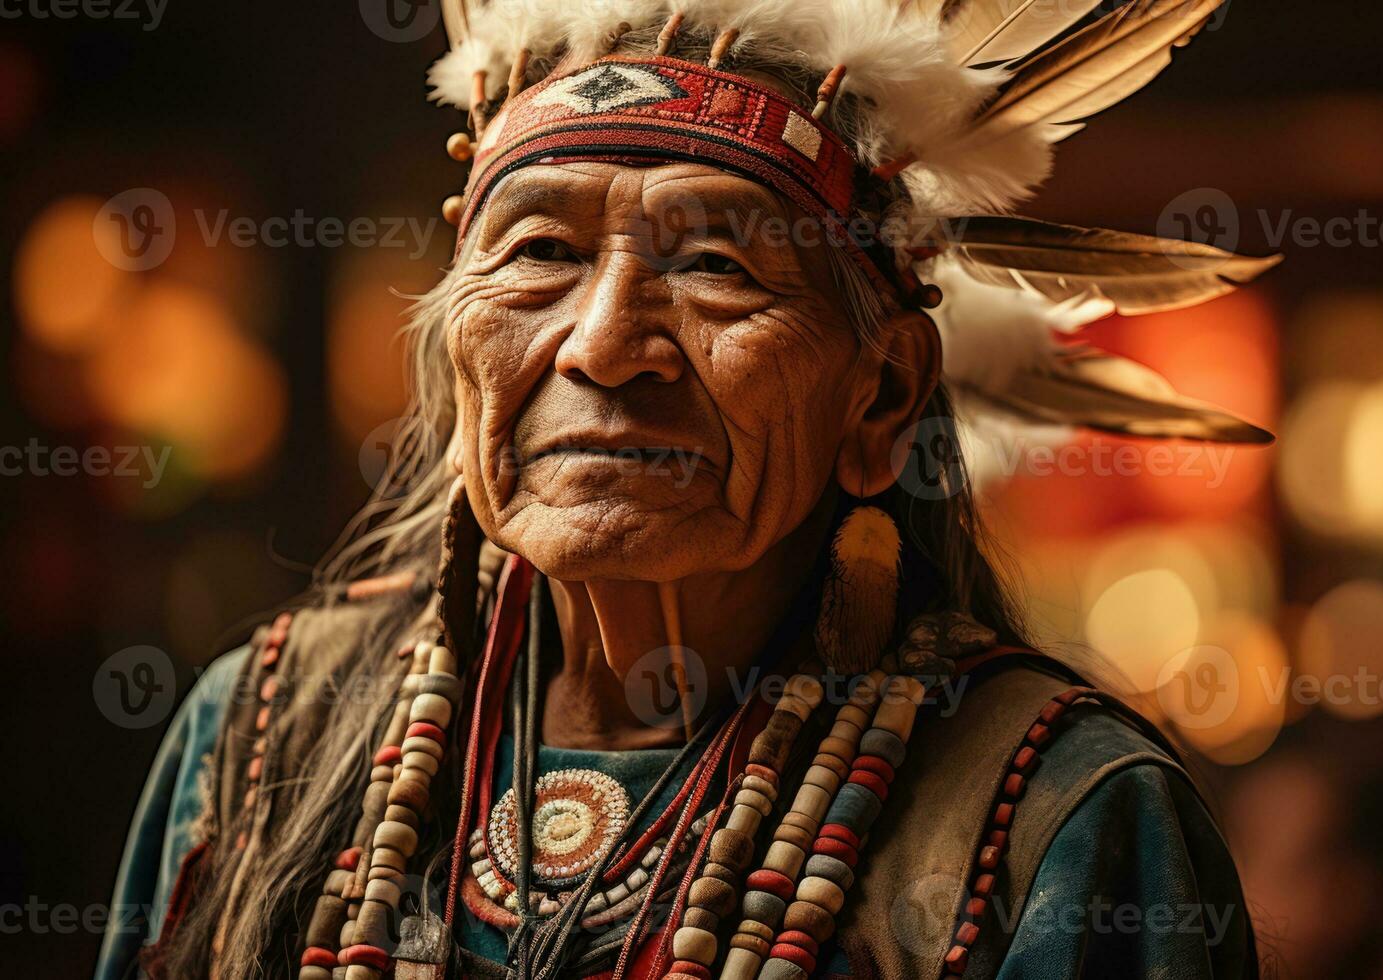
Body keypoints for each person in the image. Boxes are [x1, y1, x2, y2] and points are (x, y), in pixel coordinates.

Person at [99, 2, 1275, 977]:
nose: (605, 345)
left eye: (716, 267)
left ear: (878, 397)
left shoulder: (1054, 816)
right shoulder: (254, 736)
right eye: (540, 253)